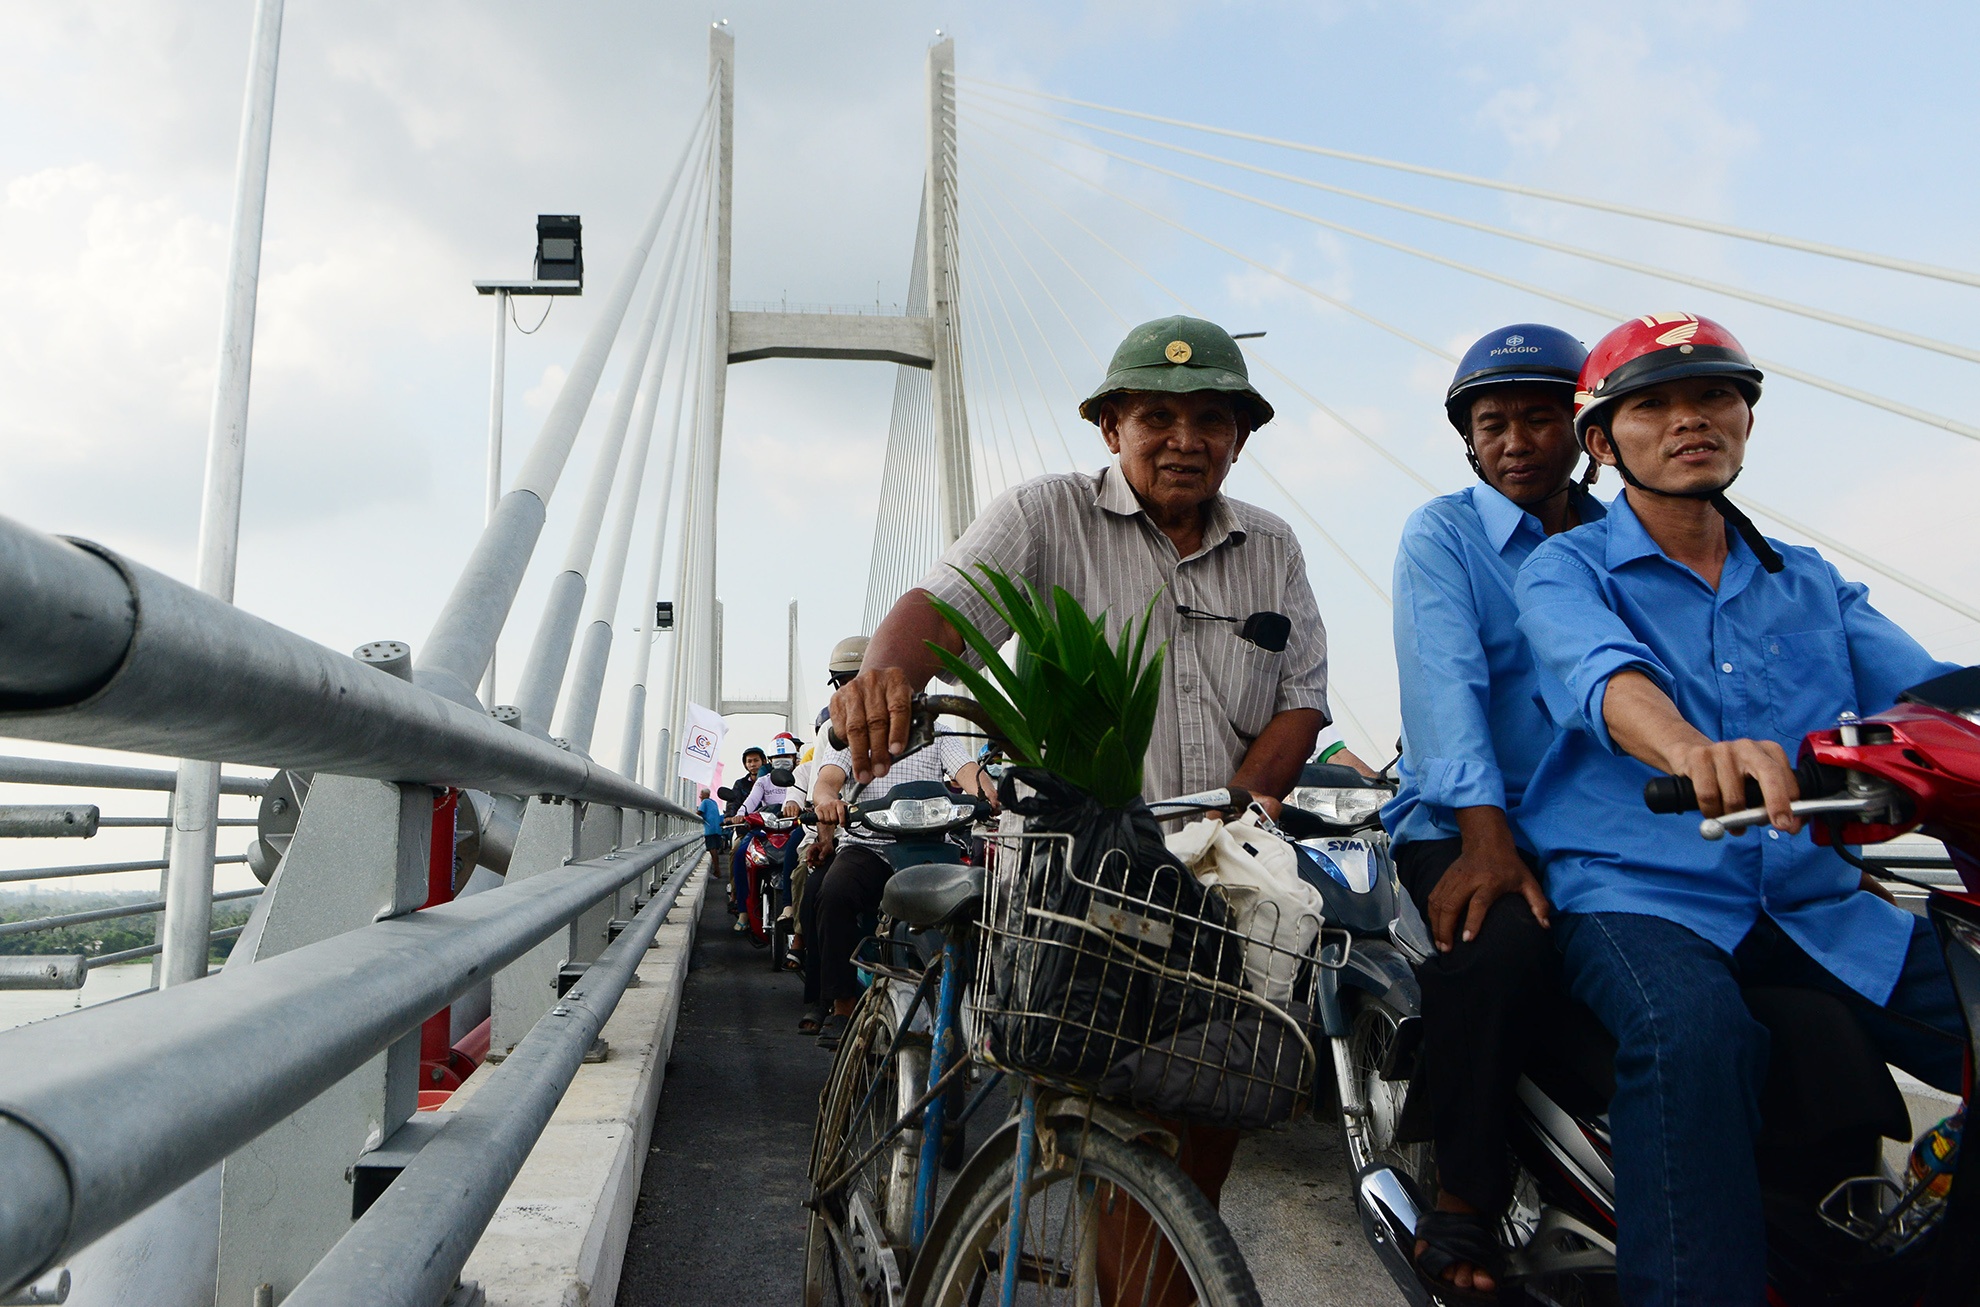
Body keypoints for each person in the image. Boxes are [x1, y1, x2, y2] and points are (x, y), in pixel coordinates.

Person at [829, 315, 1331, 1282]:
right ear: (1111, 427)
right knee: (1127, 1118)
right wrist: (887, 677)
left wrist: (1242, 815)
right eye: (1157, 416)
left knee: (1205, 1120)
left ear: (1241, 434)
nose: (1185, 439)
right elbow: (941, 614)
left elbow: (1300, 699)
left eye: (1210, 420)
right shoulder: (1043, 516)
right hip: (1075, 876)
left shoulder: (1272, 547)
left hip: (1213, 875)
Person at [1513, 312, 1965, 1304]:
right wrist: (1688, 748)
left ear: (1746, 417)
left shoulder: (1809, 583)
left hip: (1817, 903)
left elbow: (1930, 698)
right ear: (1601, 440)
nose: (1689, 419)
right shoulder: (1565, 570)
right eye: (1653, 404)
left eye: (1713, 394)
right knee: (1693, 1035)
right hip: (1640, 893)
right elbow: (1602, 675)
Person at [1380, 323, 1599, 1299]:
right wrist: (1483, 832)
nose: (1514, 440)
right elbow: (1445, 683)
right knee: (1497, 941)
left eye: (1539, 418)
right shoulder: (1443, 533)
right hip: (1459, 819)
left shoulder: (1618, 535)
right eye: (1492, 422)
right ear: (1468, 439)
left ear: (1581, 429)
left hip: (1591, 820)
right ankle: (1464, 1191)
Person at [698, 786, 725, 860]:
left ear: (705, 794)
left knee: (712, 849)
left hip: (710, 829)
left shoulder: (705, 801)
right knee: (715, 849)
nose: (700, 796)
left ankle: (717, 869)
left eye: (701, 794)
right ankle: (717, 869)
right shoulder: (714, 802)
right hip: (717, 829)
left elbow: (699, 812)